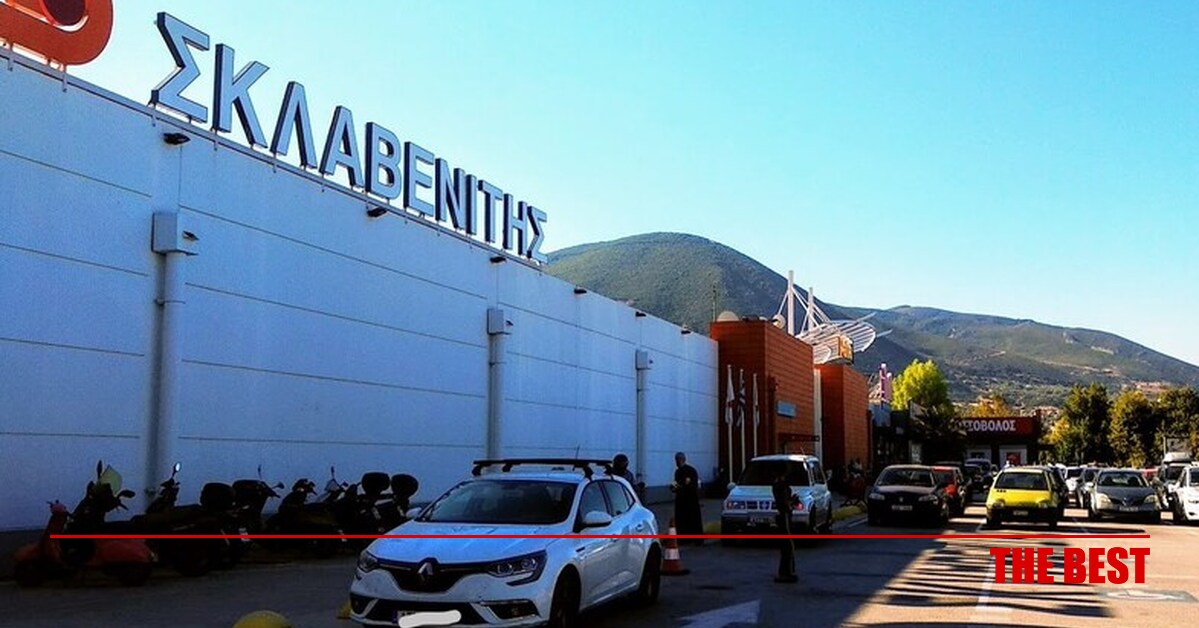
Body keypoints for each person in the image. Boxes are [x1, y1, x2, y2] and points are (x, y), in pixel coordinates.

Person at [772, 469, 798, 583]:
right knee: (787, 545)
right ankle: (786, 572)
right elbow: (783, 503)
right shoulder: (781, 486)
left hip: (784, 515)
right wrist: (791, 503)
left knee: (786, 545)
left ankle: (786, 571)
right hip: (784, 516)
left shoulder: (778, 485)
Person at [671, 452, 703, 543]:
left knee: (689, 519)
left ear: (681, 460)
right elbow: (676, 483)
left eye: (678, 460)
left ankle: (689, 538)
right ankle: (690, 538)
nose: (677, 462)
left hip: (688, 499)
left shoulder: (687, 471)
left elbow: (688, 485)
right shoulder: (681, 471)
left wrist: (677, 488)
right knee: (688, 519)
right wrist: (673, 487)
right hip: (685, 500)